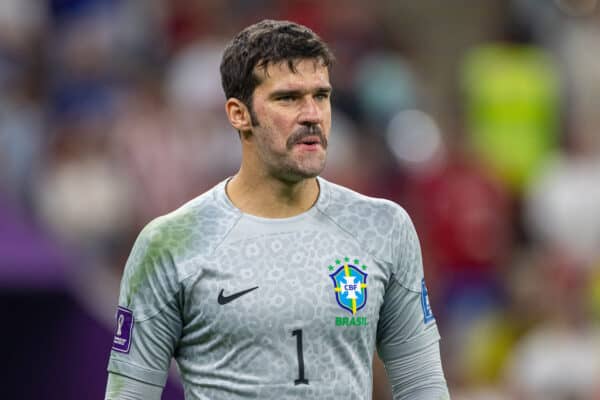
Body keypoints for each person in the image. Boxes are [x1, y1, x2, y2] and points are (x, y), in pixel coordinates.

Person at [104, 19, 450, 400]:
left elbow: (422, 385)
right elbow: (129, 394)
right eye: (288, 98)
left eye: (321, 95)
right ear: (239, 114)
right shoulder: (170, 243)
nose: (312, 114)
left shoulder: (382, 226)